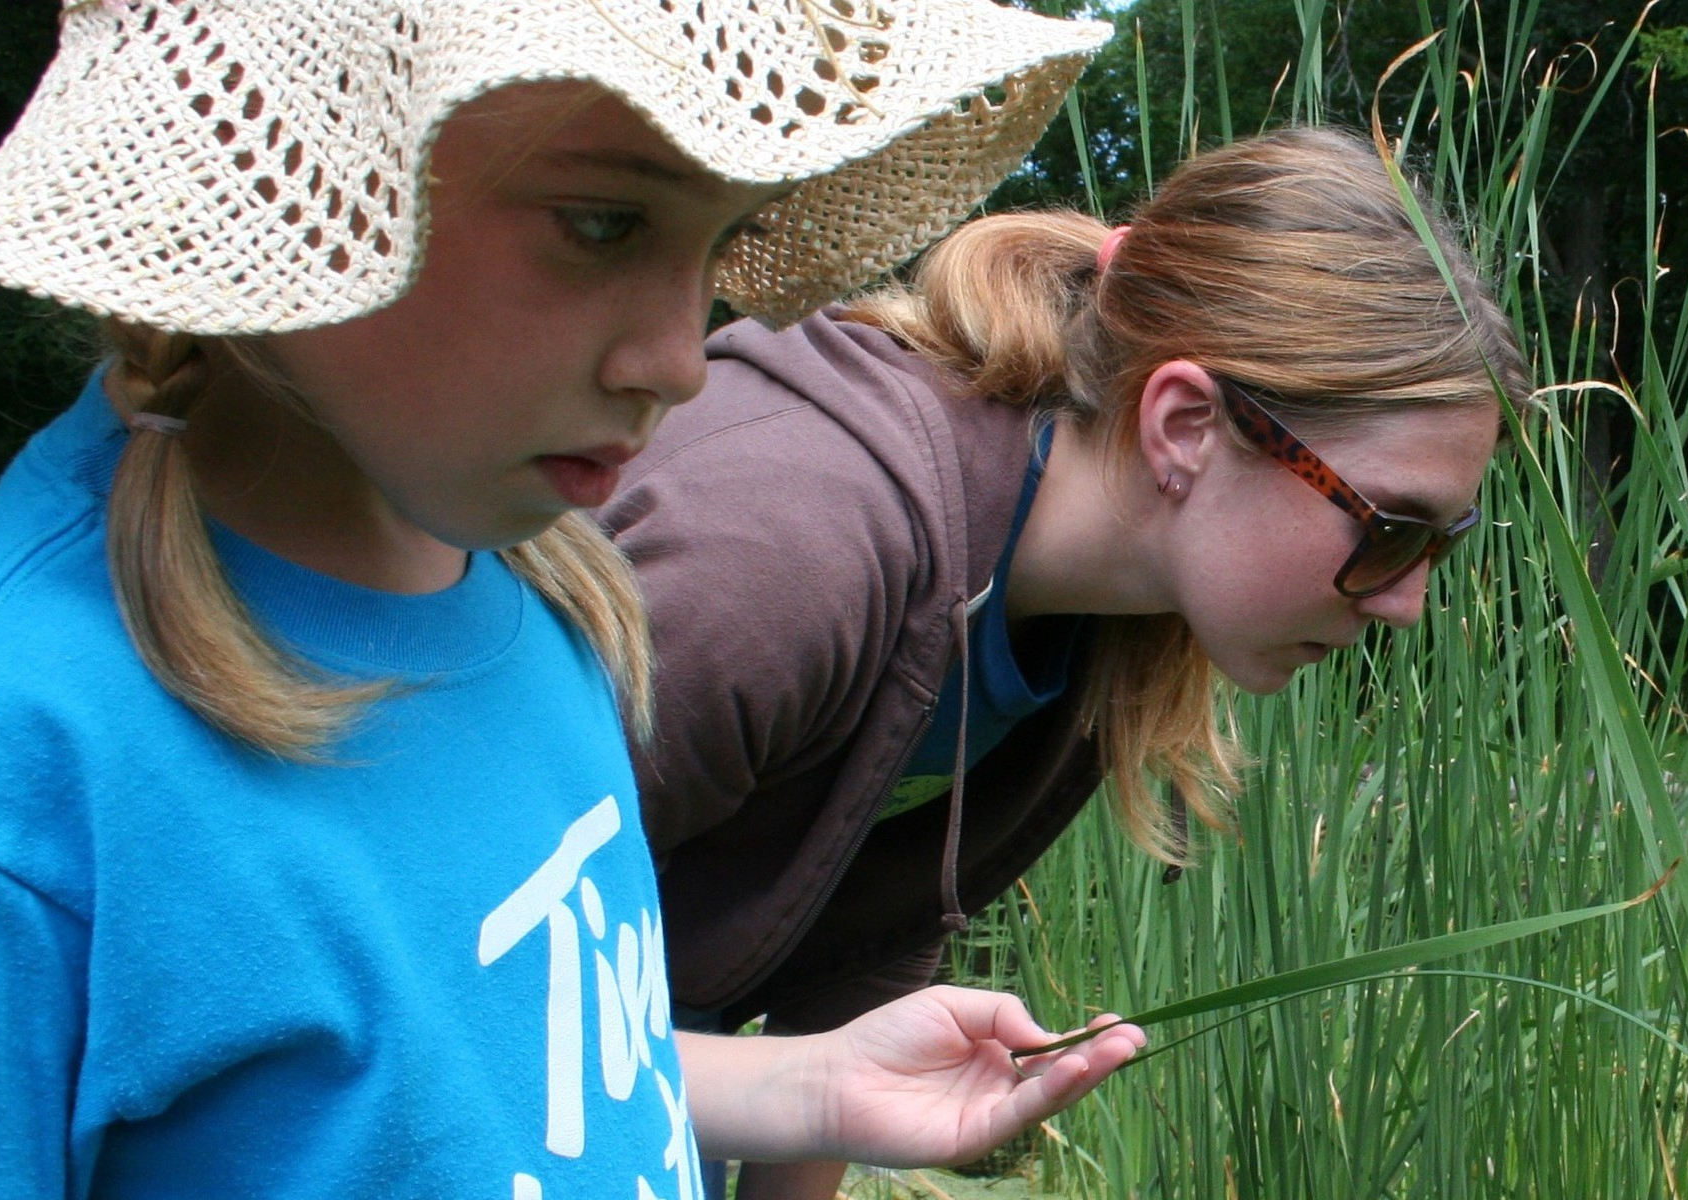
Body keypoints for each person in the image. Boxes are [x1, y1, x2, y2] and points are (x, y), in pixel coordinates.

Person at [0, 1, 1148, 1195]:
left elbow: (464, 1069)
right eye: (603, 222)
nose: (684, 357)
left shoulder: (541, 590)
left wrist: (803, 1090)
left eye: (725, 237)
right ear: (292, 164)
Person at [600, 126, 1531, 1197]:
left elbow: (853, 986)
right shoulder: (780, 558)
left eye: (1436, 546)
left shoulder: (1096, 633)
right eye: (1389, 526)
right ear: (1183, 424)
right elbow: (442, 992)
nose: (1409, 601)